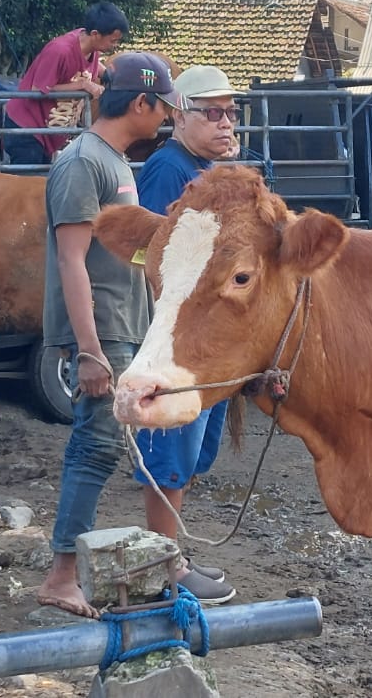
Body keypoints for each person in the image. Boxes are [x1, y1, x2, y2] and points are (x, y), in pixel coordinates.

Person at [35, 52, 182, 618]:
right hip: (105, 333)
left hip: (125, 325)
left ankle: (69, 568)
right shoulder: (81, 164)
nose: (165, 119)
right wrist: (90, 351)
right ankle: (61, 574)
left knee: (104, 446)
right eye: (162, 108)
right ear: (140, 103)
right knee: (94, 446)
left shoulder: (114, 161)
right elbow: (72, 261)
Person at [130, 65, 243, 604]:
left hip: (205, 342)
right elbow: (157, 260)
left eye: (231, 113)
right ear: (179, 116)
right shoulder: (168, 170)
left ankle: (172, 554)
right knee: (170, 449)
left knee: (192, 453)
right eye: (212, 113)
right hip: (174, 340)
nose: (225, 125)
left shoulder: (204, 169)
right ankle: (162, 566)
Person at [3, 3, 129, 166]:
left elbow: (87, 64)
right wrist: (83, 85)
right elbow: (37, 90)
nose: (115, 46)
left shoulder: (91, 48)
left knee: (43, 185)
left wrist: (107, 74)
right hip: (27, 129)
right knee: (27, 186)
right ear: (96, 34)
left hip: (45, 133)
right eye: (113, 41)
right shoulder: (59, 50)